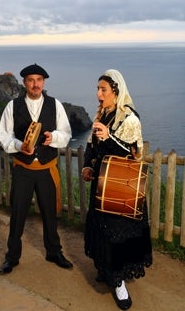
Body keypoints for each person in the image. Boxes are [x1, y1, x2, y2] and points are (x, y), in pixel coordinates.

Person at [82, 69, 152, 310]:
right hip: (102, 182)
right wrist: (87, 167)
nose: (98, 94)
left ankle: (119, 282)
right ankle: (106, 269)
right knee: (102, 230)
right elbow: (92, 145)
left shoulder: (129, 118)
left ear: (116, 92)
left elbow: (134, 154)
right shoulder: (103, 113)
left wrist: (109, 136)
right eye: (98, 89)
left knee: (117, 233)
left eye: (103, 90)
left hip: (120, 186)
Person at [0, 63, 73, 275]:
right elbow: (3, 135)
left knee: (50, 213)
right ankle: (12, 257)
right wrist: (19, 146)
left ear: (44, 82)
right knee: (18, 212)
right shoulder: (13, 106)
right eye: (31, 80)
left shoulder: (55, 105)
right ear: (24, 83)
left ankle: (54, 252)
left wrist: (53, 137)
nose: (35, 84)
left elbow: (66, 133)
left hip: (47, 168)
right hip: (23, 169)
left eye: (39, 80)